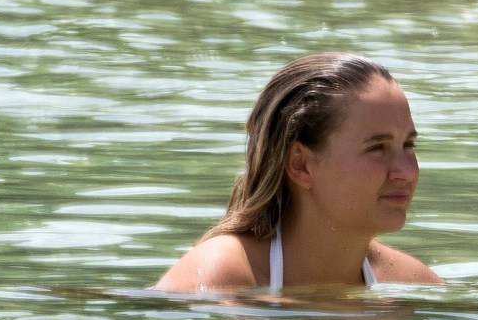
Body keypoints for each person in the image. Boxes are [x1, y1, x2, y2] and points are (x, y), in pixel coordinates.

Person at [153, 52, 442, 293]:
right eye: (377, 148)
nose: (406, 171)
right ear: (300, 165)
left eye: (408, 145)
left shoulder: (409, 282)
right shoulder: (222, 277)